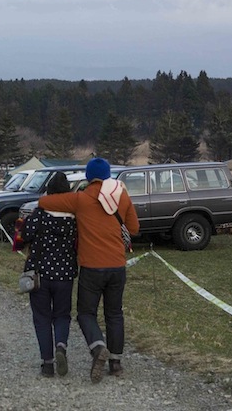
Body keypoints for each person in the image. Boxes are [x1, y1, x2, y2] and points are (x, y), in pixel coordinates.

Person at [37, 157, 139, 383]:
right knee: (114, 313)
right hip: (117, 265)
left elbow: (45, 204)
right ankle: (115, 362)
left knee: (86, 313)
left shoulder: (80, 199)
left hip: (92, 267)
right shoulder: (122, 196)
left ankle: (97, 347)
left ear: (88, 176)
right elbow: (133, 228)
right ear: (108, 175)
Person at [17, 172, 77, 378]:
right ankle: (61, 345)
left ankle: (48, 363)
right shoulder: (73, 218)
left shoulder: (39, 214)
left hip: (40, 274)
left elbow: (24, 235)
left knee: (42, 318)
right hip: (65, 274)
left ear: (49, 192)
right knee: (62, 315)